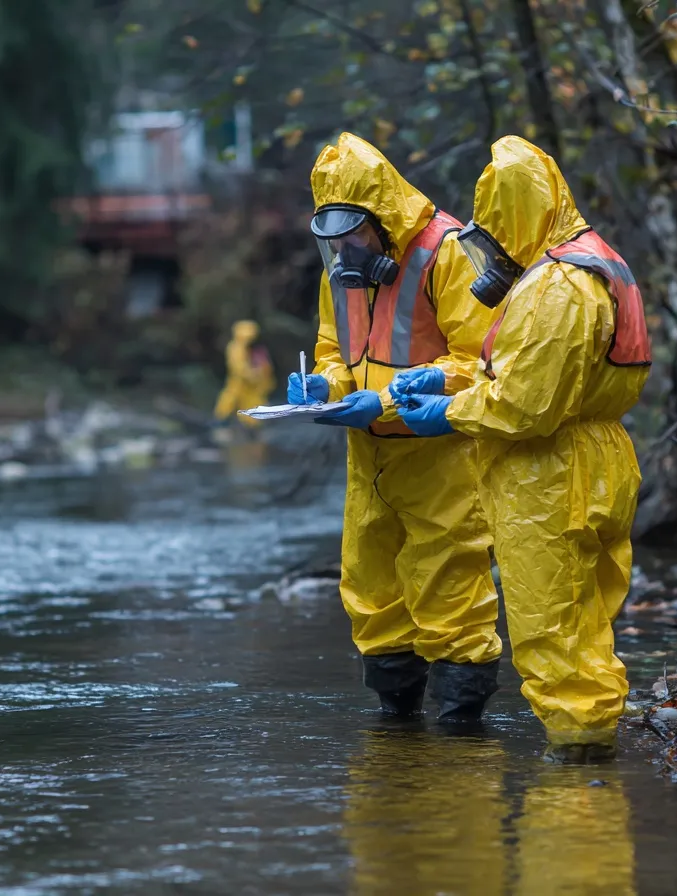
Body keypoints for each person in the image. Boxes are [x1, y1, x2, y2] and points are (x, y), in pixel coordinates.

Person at [390, 136, 651, 761]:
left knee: (551, 627)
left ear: (512, 217)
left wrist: (447, 412)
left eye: (494, 233)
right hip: (595, 459)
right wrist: (449, 376)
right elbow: (546, 375)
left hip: (549, 475)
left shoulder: (554, 286)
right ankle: (595, 760)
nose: (493, 252)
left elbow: (527, 406)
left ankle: (576, 777)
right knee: (586, 622)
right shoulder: (590, 262)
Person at [287, 132, 502, 723]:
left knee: (450, 582)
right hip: (369, 458)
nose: (344, 249)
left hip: (441, 453)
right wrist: (324, 388)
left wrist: (382, 400)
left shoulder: (447, 252)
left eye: (354, 234)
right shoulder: (340, 267)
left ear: (382, 220)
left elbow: (480, 359)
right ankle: (395, 719)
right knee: (371, 586)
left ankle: (462, 726)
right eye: (332, 238)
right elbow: (333, 349)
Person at [213, 319, 274, 429]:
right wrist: (252, 375)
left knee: (253, 405)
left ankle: (251, 426)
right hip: (239, 382)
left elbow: (265, 367)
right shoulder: (236, 348)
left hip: (253, 386)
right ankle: (221, 422)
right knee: (229, 401)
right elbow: (239, 368)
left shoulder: (253, 348)